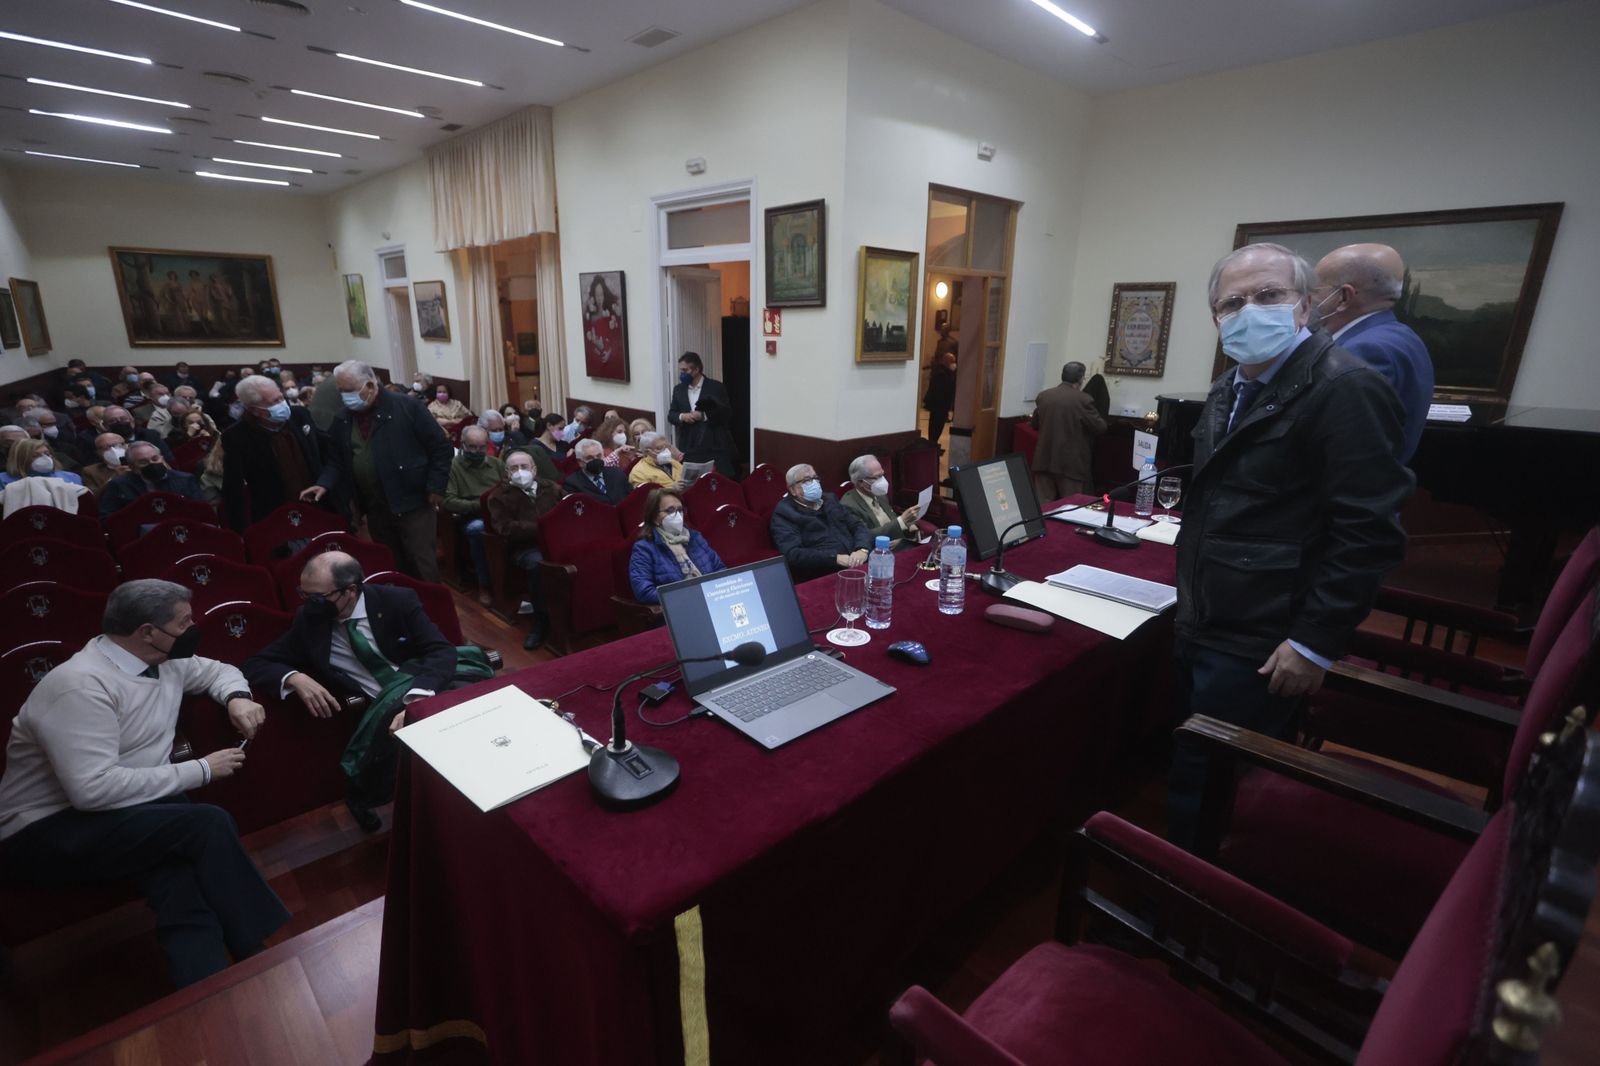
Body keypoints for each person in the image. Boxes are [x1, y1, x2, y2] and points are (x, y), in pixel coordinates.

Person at [1168, 243, 1412, 853]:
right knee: (1196, 757)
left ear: (1305, 306)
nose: (1250, 311)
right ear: (1218, 320)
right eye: (1233, 303)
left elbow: (1368, 533)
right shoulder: (1232, 385)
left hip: (1266, 630)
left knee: (1211, 774)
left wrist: (1314, 642)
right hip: (1210, 612)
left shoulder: (1346, 387)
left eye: (1269, 296)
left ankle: (1178, 901)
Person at [0, 580, 286, 989]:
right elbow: (92, 790)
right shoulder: (79, 684)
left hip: (127, 806)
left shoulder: (164, 659)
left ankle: (207, 987)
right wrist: (203, 769)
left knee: (175, 873)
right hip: (45, 829)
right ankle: (257, 940)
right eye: (184, 621)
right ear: (147, 632)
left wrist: (236, 696)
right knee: (206, 823)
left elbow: (218, 670)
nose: (194, 626)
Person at [242, 552, 459, 833]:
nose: (309, 604)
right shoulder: (310, 620)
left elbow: (440, 650)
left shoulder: (396, 601)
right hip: (376, 708)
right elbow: (255, 663)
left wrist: (416, 701)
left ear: (351, 590)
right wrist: (295, 678)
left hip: (422, 690)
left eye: (319, 597)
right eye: (304, 594)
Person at [315, 360, 452, 582]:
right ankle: (402, 610)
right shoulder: (343, 418)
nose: (344, 397)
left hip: (414, 501)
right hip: (375, 506)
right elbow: (336, 459)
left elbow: (440, 448)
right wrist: (324, 483)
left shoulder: (407, 407)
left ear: (370, 385)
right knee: (391, 564)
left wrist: (436, 486)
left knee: (422, 565)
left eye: (349, 391)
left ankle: (432, 613)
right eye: (341, 391)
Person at [1312, 243, 1436, 463]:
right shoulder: (1402, 336)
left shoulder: (1363, 350)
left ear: (1343, 297)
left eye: (1314, 289)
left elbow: (1344, 445)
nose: (1308, 299)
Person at [220, 374, 337, 531]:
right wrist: (241, 532)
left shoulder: (299, 415)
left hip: (320, 506)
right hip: (276, 516)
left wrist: (324, 482)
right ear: (255, 410)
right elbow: (233, 488)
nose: (282, 404)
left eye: (281, 398)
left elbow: (327, 452)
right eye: (274, 402)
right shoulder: (236, 436)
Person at [485, 451, 561, 650]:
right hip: (525, 548)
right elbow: (506, 528)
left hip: (557, 543)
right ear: (507, 473)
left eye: (524, 467)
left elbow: (566, 511)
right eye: (514, 468)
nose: (520, 472)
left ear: (534, 469)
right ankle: (541, 621)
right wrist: (543, 528)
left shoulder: (552, 488)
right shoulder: (499, 497)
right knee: (537, 565)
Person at [769, 463, 872, 581]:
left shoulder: (830, 499)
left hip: (857, 562)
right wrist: (834, 558)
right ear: (792, 489)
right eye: (807, 480)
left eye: (815, 478)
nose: (814, 483)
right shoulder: (784, 513)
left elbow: (857, 525)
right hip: (824, 573)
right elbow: (793, 554)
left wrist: (862, 549)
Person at [1029, 361, 1107, 504]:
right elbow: (1100, 427)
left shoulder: (1044, 396)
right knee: (1071, 508)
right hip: (1071, 464)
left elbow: (1034, 424)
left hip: (1044, 460)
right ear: (1081, 379)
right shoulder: (1083, 399)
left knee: (1043, 508)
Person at [443, 426, 505, 606]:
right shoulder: (453, 467)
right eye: (472, 447)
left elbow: (507, 489)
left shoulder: (496, 464)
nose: (477, 451)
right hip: (471, 515)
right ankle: (484, 584)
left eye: (481, 447)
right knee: (479, 530)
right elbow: (449, 501)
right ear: (462, 445)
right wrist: (479, 506)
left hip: (499, 512)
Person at [629, 488, 725, 604]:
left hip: (712, 600)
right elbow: (644, 591)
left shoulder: (695, 537)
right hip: (679, 607)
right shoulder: (644, 548)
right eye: (670, 510)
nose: (677, 515)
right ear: (654, 517)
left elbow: (720, 569)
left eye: (680, 510)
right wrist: (682, 598)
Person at [668, 352, 737, 476]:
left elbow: (726, 414)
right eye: (681, 370)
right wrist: (683, 416)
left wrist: (704, 416)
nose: (682, 374)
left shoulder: (716, 387)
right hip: (689, 444)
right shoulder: (678, 389)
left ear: (696, 369)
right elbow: (671, 414)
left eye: (685, 370)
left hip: (713, 443)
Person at [98, 440, 205, 517]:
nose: (152, 464)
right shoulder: (119, 485)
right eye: (143, 462)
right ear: (133, 468)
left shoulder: (185, 479)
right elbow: (107, 517)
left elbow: (202, 510)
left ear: (162, 459)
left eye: (155, 459)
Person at [839, 454, 921, 548]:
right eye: (876, 477)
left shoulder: (880, 494)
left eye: (882, 475)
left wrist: (907, 524)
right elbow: (864, 536)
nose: (883, 481)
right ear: (861, 482)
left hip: (899, 542)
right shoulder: (848, 506)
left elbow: (890, 517)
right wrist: (901, 521)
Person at [100, 404, 175, 464]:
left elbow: (169, 458)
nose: (119, 423)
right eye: (112, 421)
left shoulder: (150, 435)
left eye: (123, 419)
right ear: (106, 426)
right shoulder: (105, 445)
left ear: (132, 422)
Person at [563, 437, 629, 504]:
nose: (596, 460)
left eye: (598, 456)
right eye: (589, 458)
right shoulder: (572, 483)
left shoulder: (617, 473)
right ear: (580, 462)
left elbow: (630, 496)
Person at [1, 439, 83, 487]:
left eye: (47, 454)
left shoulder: (72, 477)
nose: (45, 458)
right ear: (21, 459)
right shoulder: (3, 480)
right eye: (36, 456)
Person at [922, 351, 957, 446]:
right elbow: (942, 391)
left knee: (937, 427)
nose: (954, 364)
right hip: (938, 406)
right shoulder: (941, 374)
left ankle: (933, 444)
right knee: (936, 427)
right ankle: (932, 444)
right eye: (952, 362)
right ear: (946, 361)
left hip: (941, 407)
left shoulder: (945, 372)